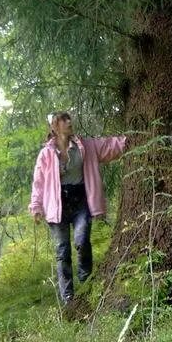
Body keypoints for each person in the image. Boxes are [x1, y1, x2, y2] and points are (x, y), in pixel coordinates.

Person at [29, 111, 127, 309]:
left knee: (82, 242)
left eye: (69, 118)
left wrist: (133, 140)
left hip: (81, 202)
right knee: (62, 251)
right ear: (55, 127)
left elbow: (108, 146)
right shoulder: (46, 154)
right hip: (57, 207)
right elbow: (38, 183)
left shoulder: (85, 146)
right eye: (64, 120)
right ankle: (68, 299)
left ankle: (86, 285)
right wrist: (36, 206)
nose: (69, 122)